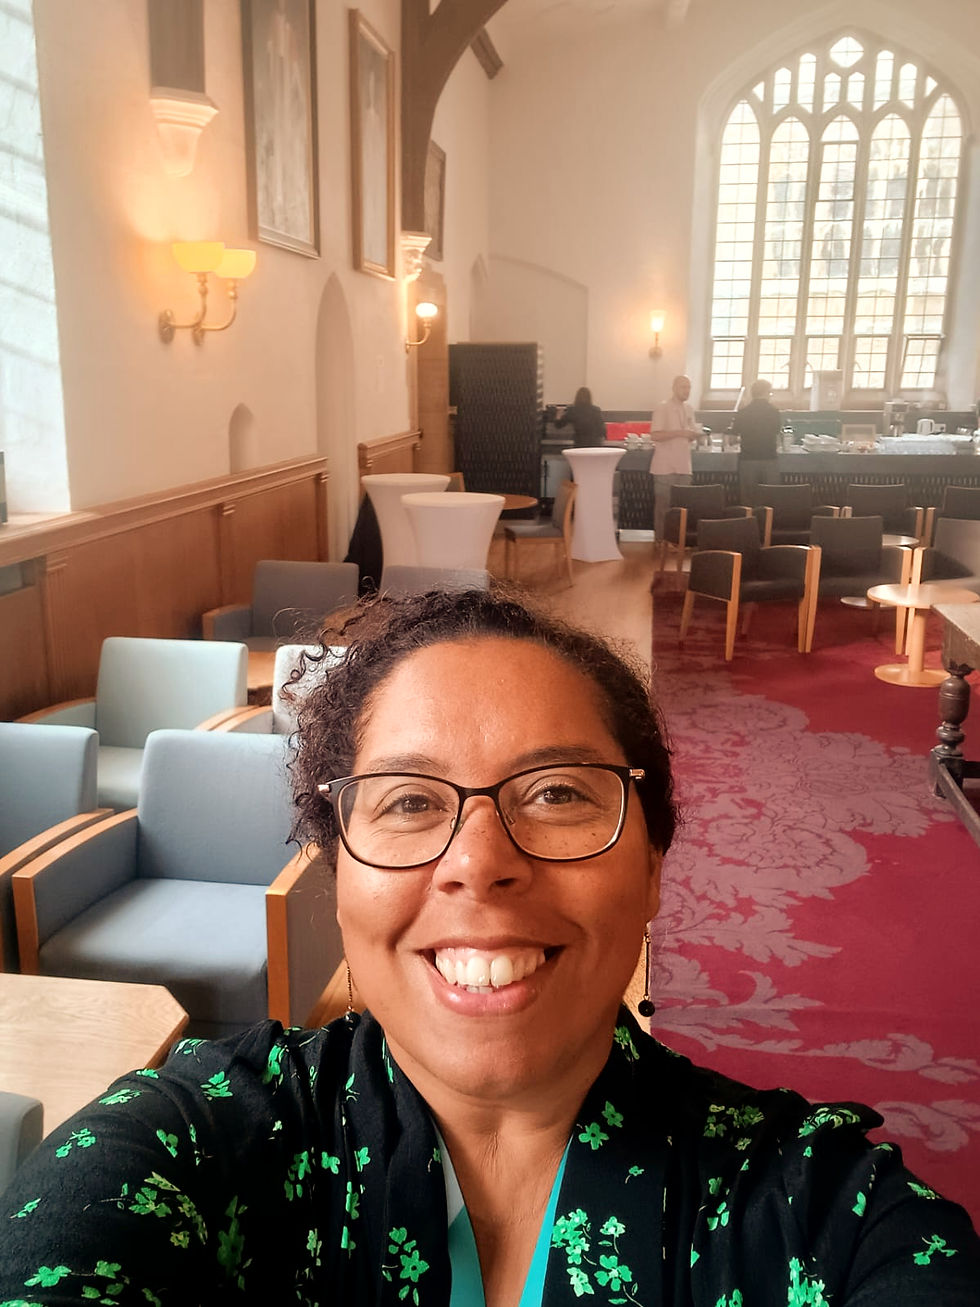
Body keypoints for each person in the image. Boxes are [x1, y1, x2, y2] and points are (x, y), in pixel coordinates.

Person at [1, 587, 978, 1305]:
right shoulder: (185, 1145)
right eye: (410, 801)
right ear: (335, 869)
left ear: (649, 861)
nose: (478, 863)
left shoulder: (820, 1214)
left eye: (555, 792)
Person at [649, 374, 700, 541]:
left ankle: (677, 540)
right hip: (665, 466)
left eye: (689, 387)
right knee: (663, 507)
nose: (687, 391)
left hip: (684, 464)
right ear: (674, 388)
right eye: (683, 387)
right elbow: (655, 435)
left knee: (682, 507)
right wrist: (680, 432)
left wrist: (694, 435)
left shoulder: (689, 409)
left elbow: (691, 432)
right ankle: (661, 541)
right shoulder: (662, 407)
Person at [732, 378, 782, 505]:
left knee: (748, 498)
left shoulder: (743, 412)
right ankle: (768, 522)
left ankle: (748, 522)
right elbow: (777, 432)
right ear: (766, 392)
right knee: (770, 498)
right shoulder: (774, 412)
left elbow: (734, 433)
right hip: (769, 458)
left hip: (748, 459)